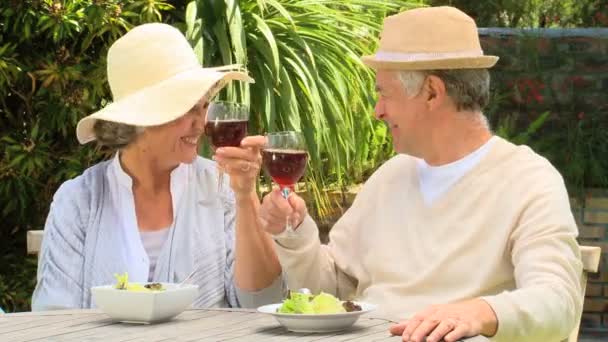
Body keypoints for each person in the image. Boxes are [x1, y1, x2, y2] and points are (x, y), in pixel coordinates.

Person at [249, 6, 583, 342]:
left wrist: (479, 313)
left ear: (432, 93)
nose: (378, 111)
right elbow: (331, 290)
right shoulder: (390, 177)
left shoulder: (528, 180)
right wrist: (294, 231)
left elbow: (557, 300)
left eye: (384, 94)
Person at [32, 23, 282, 310]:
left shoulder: (221, 186)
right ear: (141, 117)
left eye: (203, 106)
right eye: (187, 108)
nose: (201, 125)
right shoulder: (78, 201)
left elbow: (262, 303)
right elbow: (53, 317)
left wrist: (245, 196)